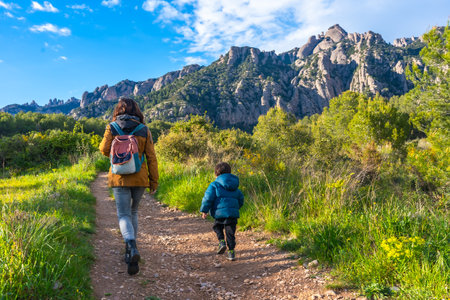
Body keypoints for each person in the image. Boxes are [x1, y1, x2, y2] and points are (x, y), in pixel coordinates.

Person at [99, 97, 158, 275]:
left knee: (123, 214)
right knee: (133, 212)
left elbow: (103, 149)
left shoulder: (112, 127)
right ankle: (132, 247)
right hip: (139, 178)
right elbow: (151, 157)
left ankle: (131, 246)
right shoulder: (144, 129)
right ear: (137, 111)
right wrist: (153, 181)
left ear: (119, 110)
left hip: (119, 177)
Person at [200, 162, 244, 261]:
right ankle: (231, 252)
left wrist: (204, 210)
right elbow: (241, 199)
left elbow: (208, 198)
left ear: (216, 174)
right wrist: (235, 208)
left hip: (219, 214)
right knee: (230, 233)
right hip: (232, 214)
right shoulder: (235, 186)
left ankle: (221, 242)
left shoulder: (214, 185)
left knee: (217, 227)